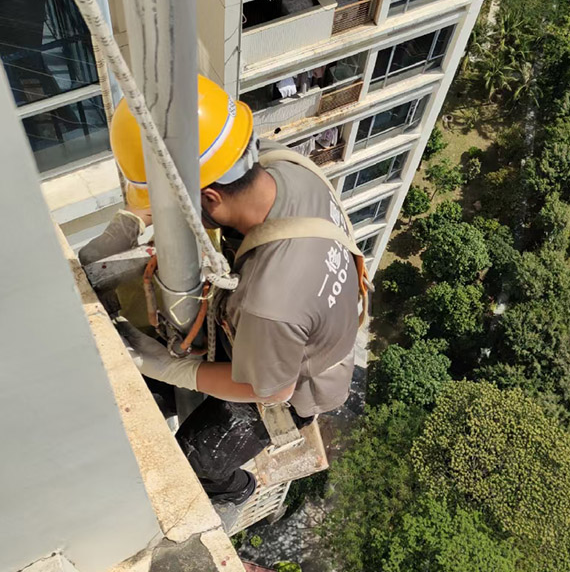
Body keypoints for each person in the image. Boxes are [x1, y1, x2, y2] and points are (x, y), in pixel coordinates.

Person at [80, 76, 365, 504]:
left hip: (298, 381)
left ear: (210, 198)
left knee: (195, 461)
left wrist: (171, 370)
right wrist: (130, 224)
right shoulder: (282, 164)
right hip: (295, 321)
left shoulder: (269, 301)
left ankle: (239, 491)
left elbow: (270, 391)